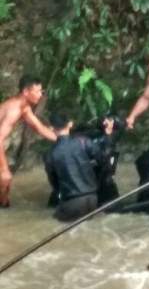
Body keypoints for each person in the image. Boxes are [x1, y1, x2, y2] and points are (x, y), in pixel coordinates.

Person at [44, 112, 114, 221]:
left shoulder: (50, 154)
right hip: (93, 199)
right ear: (70, 124)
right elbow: (105, 159)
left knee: (53, 222)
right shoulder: (84, 142)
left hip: (72, 202)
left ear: (51, 128)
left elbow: (55, 184)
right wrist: (108, 135)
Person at [0, 75, 56, 207]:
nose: (40, 95)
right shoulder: (14, 110)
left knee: (5, 184)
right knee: (5, 178)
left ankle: (4, 207)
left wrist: (63, 138)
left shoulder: (24, 107)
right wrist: (4, 169)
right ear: (26, 91)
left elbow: (39, 127)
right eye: (37, 91)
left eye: (41, 91)